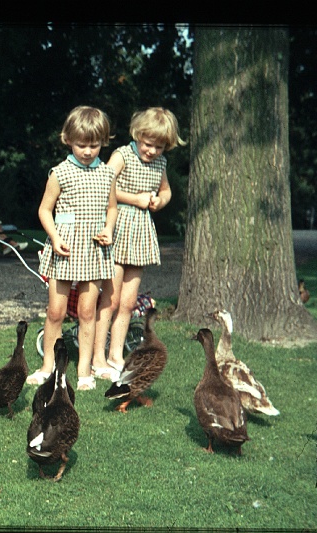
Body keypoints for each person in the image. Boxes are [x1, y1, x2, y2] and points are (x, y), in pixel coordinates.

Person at [91, 107, 186, 381]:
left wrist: (160, 201)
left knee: (128, 302)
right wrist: (136, 199)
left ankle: (116, 355)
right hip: (117, 229)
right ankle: (98, 357)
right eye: (147, 143)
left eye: (159, 146)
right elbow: (102, 183)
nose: (152, 151)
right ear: (138, 135)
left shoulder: (160, 163)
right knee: (110, 299)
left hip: (140, 235)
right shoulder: (122, 155)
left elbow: (166, 189)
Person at [26, 106, 117, 391]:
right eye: (81, 145)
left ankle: (84, 371)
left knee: (87, 312)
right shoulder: (60, 172)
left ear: (103, 141)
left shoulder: (106, 173)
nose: (88, 151)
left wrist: (108, 229)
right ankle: (48, 367)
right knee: (56, 311)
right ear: (68, 140)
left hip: (93, 249)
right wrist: (54, 237)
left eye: (94, 144)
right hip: (65, 246)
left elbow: (112, 209)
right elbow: (44, 210)